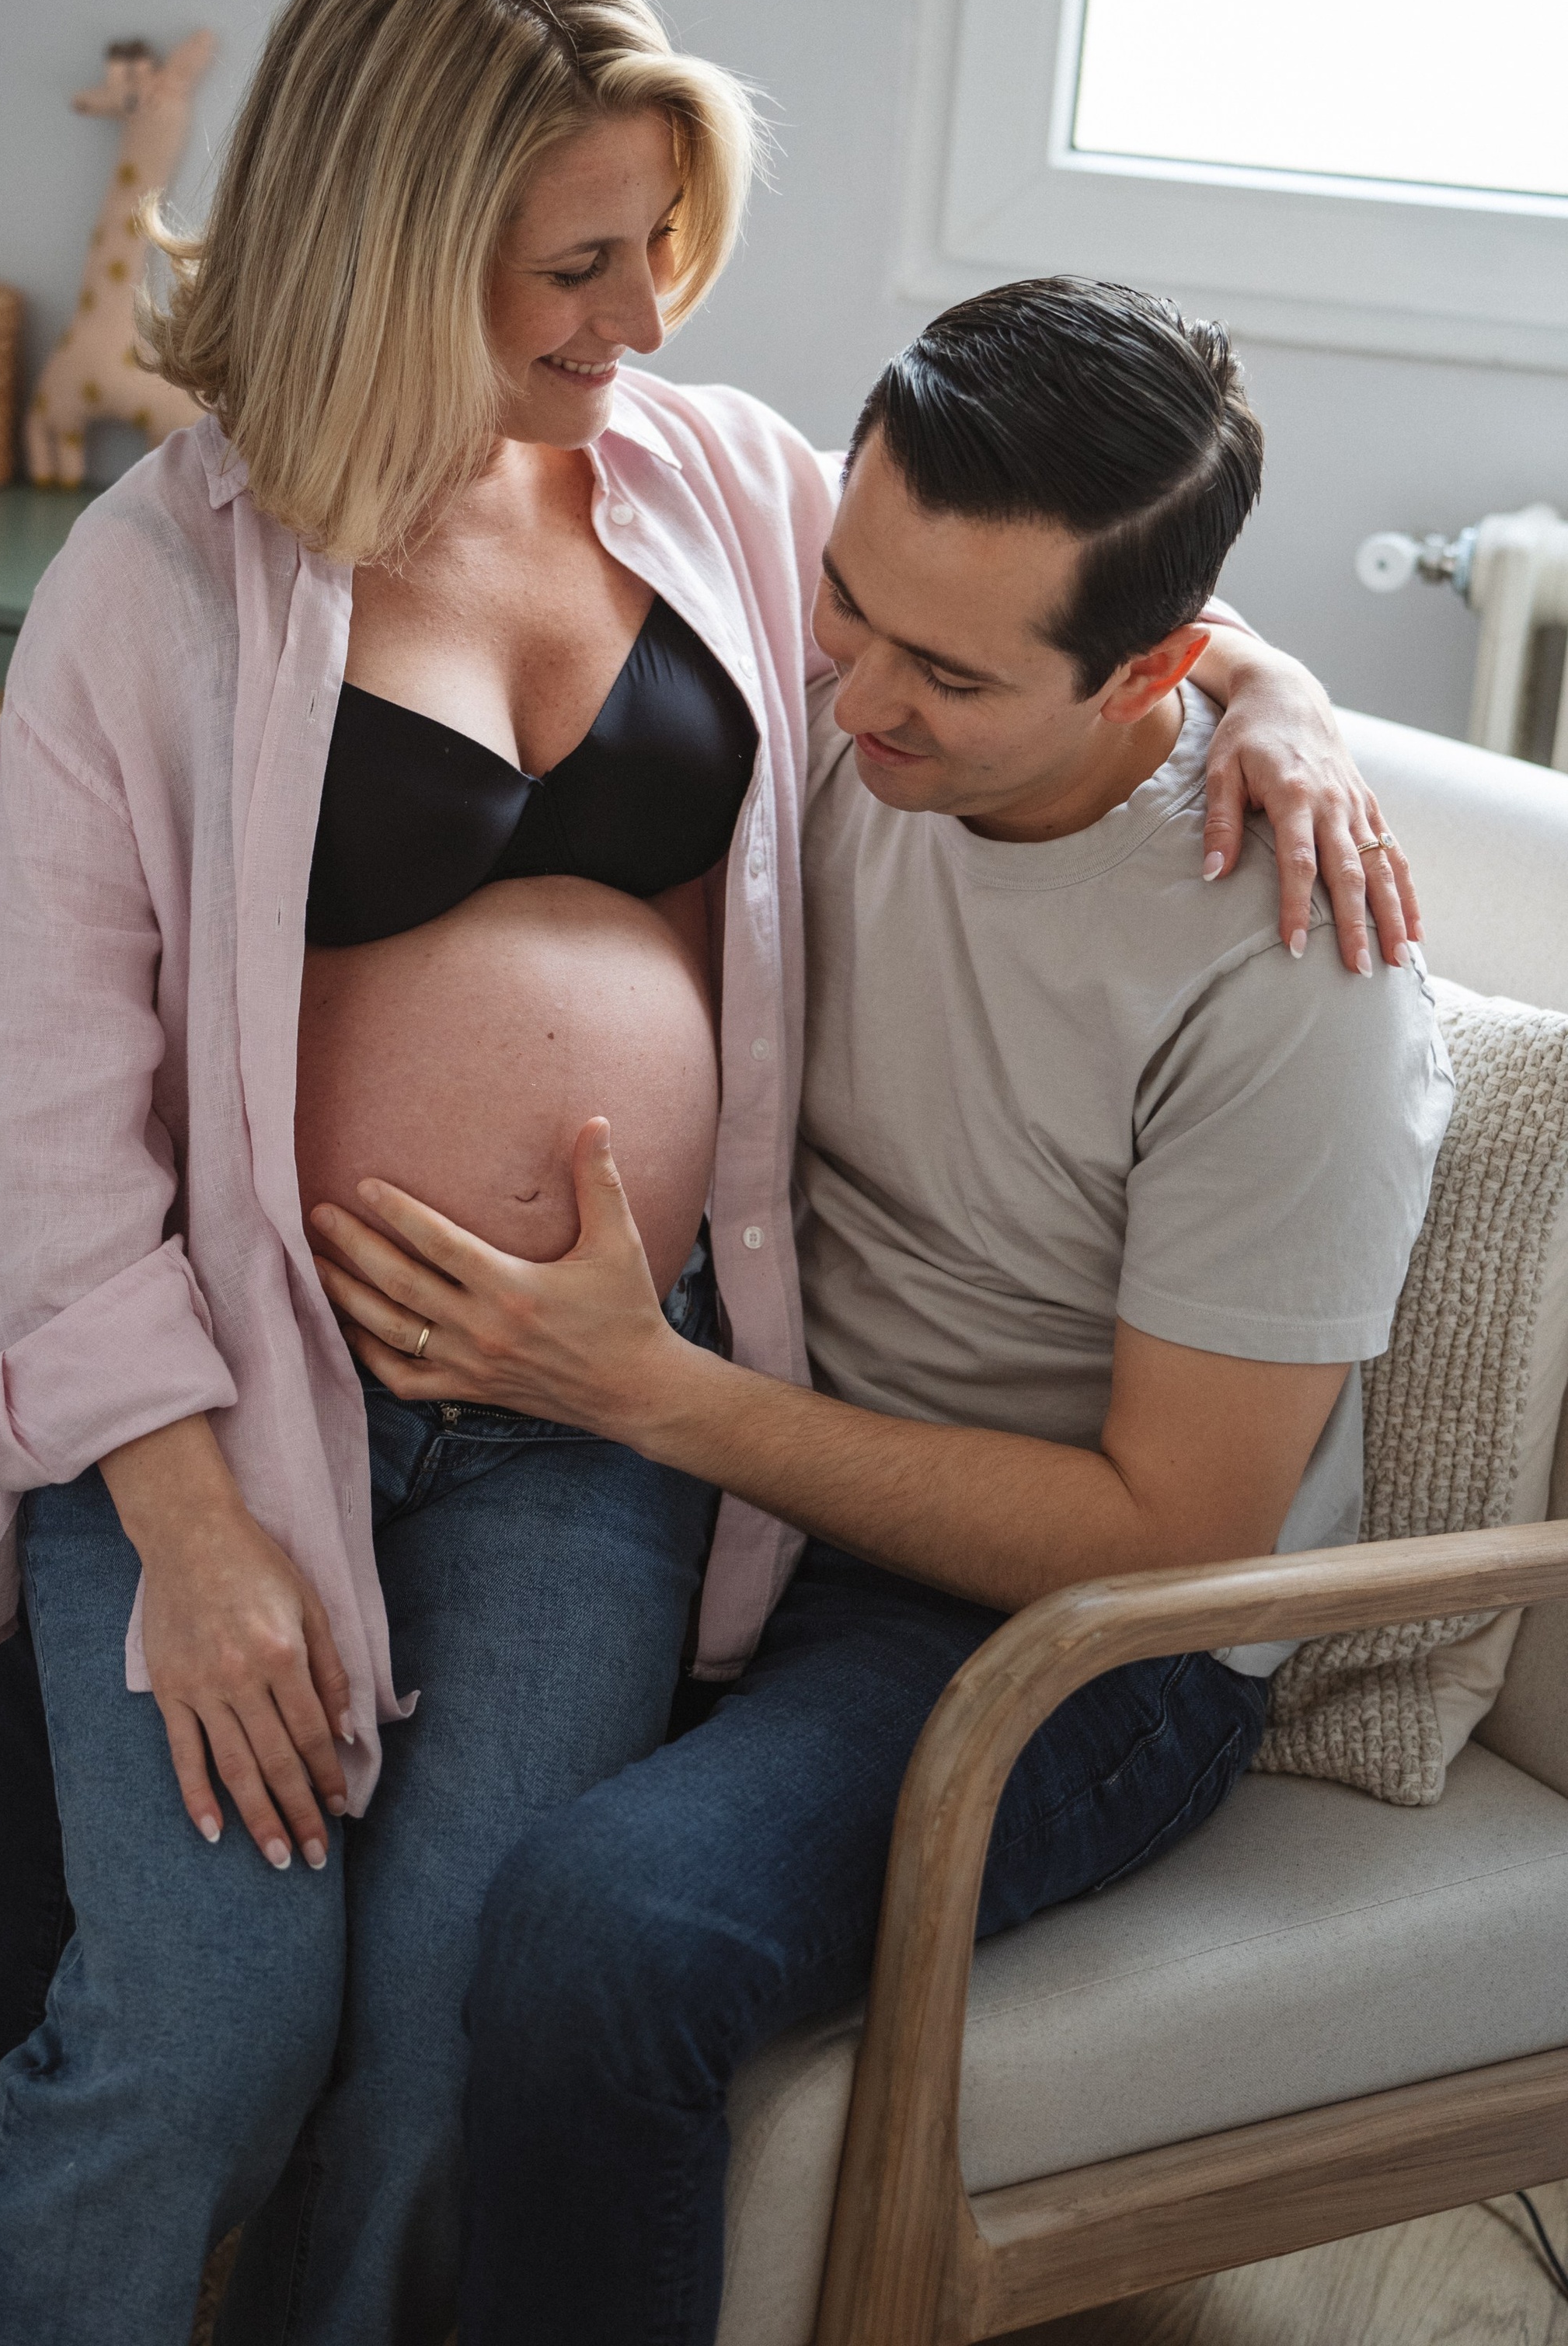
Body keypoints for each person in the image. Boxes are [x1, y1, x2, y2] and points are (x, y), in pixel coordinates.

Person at [0, 0, 1405, 2346]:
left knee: (443, 2051)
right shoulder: (159, 581)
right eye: (580, 264)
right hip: (238, 1402)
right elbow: (43, 1102)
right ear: (394, 235)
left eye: (661, 251)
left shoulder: (698, 484)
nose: (645, 320)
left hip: (599, 1429)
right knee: (207, 2024)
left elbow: (1072, 618)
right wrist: (180, 1520)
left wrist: (1292, 700)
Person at [319, 277, 1452, 2346]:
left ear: (1156, 674)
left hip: (1071, 1639)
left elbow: (1166, 1539)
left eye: (946, 672)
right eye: (853, 605)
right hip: (738, 1484)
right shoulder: (834, 647)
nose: (852, 704)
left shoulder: (1289, 973)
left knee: (601, 1935)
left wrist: (643, 1395)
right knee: (184, 1664)